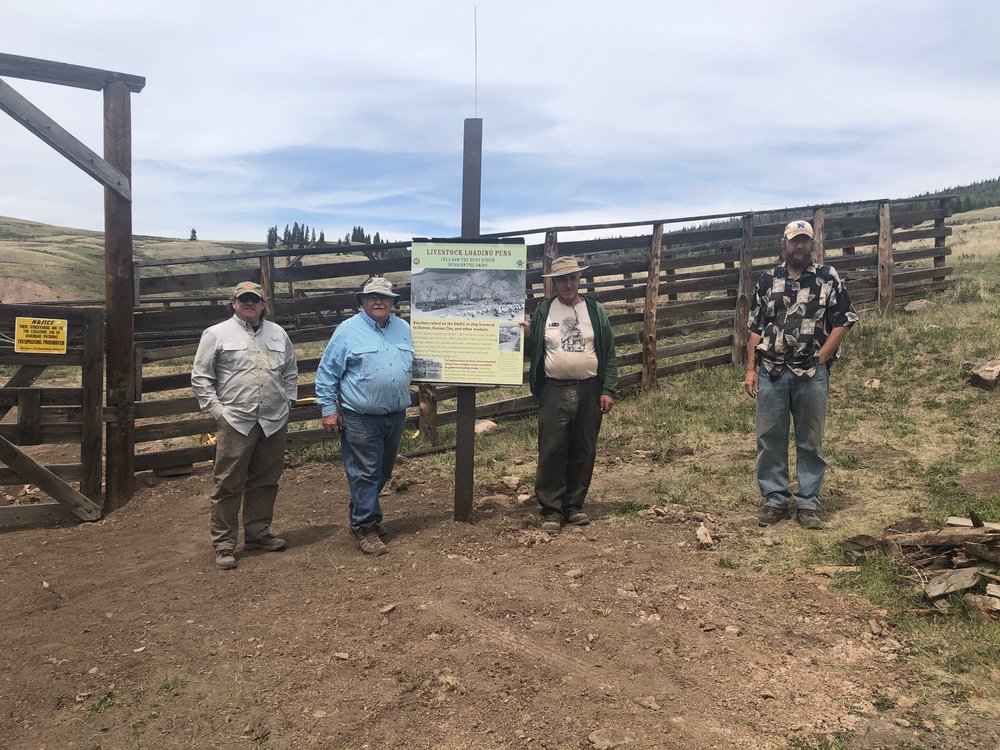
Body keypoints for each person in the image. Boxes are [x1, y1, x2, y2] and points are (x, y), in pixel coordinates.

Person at [743, 220, 859, 529]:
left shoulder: (826, 278)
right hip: (772, 373)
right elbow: (755, 327)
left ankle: (808, 503)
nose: (799, 246)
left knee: (810, 440)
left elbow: (843, 321)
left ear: (812, 245)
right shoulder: (767, 280)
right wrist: (751, 369)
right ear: (784, 244)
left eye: (805, 241)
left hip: (810, 373)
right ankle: (775, 499)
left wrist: (822, 357)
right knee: (769, 438)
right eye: (795, 241)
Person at [192, 281, 298, 570]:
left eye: (255, 299)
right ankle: (224, 544)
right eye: (244, 299)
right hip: (237, 420)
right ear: (234, 303)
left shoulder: (278, 334)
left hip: (273, 420)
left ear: (263, 304)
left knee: (266, 480)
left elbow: (290, 370)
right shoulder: (216, 334)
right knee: (228, 482)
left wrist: (288, 401)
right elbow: (201, 377)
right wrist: (218, 412)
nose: (250, 303)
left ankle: (258, 534)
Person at [315, 277, 413, 556]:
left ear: (393, 302)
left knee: (382, 471)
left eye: (384, 297)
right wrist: (328, 410)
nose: (379, 301)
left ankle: (362, 513)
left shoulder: (403, 328)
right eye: (372, 297)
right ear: (362, 302)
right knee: (365, 472)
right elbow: (326, 373)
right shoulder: (347, 331)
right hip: (360, 415)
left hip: (394, 414)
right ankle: (365, 527)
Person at [526, 256, 617, 535]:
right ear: (553, 283)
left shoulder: (595, 310)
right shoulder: (544, 310)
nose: (568, 284)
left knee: (583, 448)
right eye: (562, 279)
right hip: (554, 389)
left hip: (589, 389)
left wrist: (608, 389)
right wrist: (528, 335)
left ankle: (574, 506)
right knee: (552, 449)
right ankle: (551, 510)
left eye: (573, 278)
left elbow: (609, 352)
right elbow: (535, 352)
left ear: (579, 280)